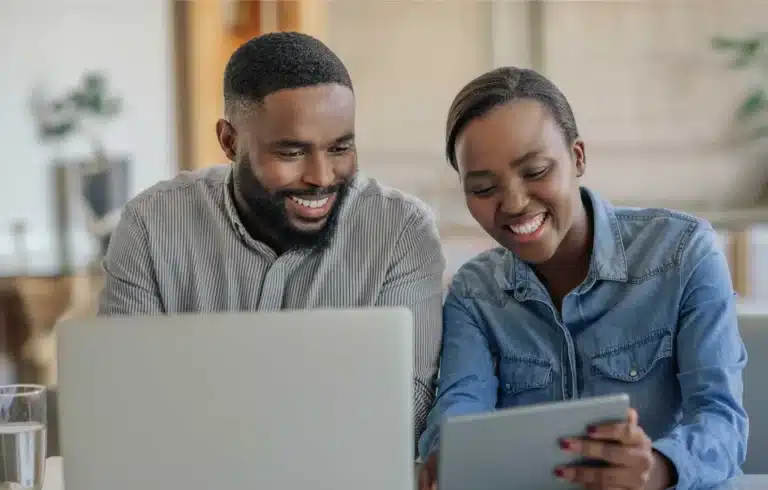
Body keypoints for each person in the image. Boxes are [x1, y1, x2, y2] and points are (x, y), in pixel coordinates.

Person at [97, 32, 445, 443]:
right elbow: (123, 397)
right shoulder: (151, 225)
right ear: (229, 141)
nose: (321, 176)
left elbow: (406, 406)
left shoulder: (401, 230)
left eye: (340, 149)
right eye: (291, 152)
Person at [418, 67, 748, 490]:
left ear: (578, 158)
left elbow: (722, 420)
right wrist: (447, 454)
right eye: (483, 188)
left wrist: (658, 468)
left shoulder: (683, 254)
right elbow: (460, 406)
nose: (515, 203)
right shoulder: (474, 293)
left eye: (535, 171)